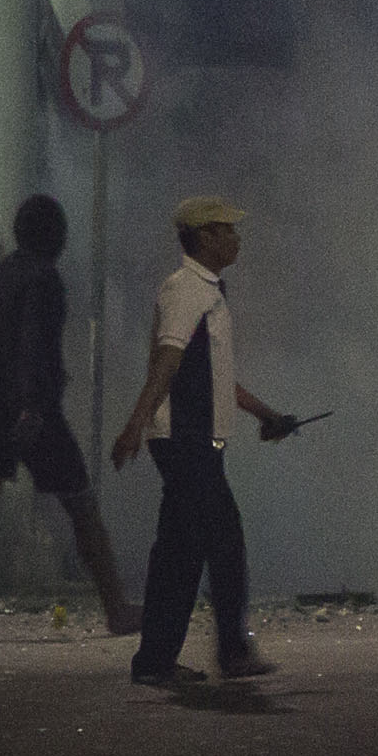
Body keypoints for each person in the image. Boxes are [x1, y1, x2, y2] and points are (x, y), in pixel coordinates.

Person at [107, 196, 308, 687]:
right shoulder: (185, 290)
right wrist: (134, 425)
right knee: (212, 546)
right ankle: (215, 655)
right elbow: (167, 363)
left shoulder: (208, 292)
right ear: (204, 237)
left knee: (189, 550)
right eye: (227, 230)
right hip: (184, 440)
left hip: (197, 440)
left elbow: (219, 379)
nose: (236, 239)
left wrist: (268, 415)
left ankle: (167, 659)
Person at [0, 194, 129, 638]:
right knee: (81, 504)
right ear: (56, 235)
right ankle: (117, 610)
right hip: (31, 408)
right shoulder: (45, 278)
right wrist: (32, 404)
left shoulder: (1, 274)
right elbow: (32, 343)